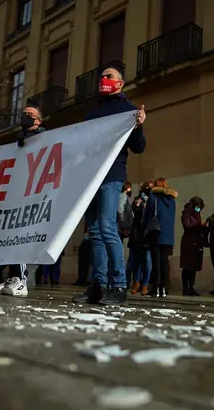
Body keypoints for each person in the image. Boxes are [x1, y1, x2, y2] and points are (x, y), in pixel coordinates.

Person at [72, 67, 146, 306]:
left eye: (110, 76)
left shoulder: (128, 111)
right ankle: (98, 285)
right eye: (102, 76)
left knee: (106, 227)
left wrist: (139, 125)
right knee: (94, 231)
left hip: (111, 175)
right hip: (89, 177)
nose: (104, 79)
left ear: (121, 83)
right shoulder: (92, 115)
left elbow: (139, 147)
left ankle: (119, 286)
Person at [0, 106, 45, 297]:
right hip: (16, 191)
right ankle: (13, 278)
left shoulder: (45, 137)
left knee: (19, 235)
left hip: (32, 194)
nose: (25, 117)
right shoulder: (18, 139)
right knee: (9, 235)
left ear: (38, 120)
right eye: (24, 114)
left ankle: (22, 281)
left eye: (30, 115)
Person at [142, 178, 177, 298]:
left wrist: (144, 229)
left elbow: (147, 216)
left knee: (156, 263)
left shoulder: (153, 198)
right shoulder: (172, 200)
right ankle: (163, 288)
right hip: (168, 236)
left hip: (156, 233)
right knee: (164, 263)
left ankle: (155, 288)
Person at [127, 181, 153, 294]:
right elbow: (133, 216)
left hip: (147, 237)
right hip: (136, 236)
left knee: (147, 262)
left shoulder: (153, 201)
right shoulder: (137, 200)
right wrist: (137, 206)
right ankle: (136, 283)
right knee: (135, 262)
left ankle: (145, 284)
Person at [180, 197, 206, 296]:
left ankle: (191, 287)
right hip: (189, 242)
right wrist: (199, 224)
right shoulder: (186, 212)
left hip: (196, 242)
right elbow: (187, 225)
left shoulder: (196, 213)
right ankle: (185, 288)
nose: (199, 209)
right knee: (187, 266)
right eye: (198, 206)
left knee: (194, 267)